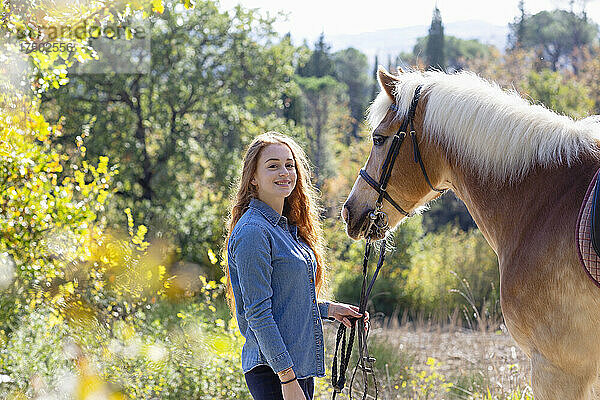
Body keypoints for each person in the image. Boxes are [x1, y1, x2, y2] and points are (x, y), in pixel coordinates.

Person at [223, 132, 367, 400]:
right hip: (274, 372)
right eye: (273, 165)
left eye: (289, 165)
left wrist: (329, 309)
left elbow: (286, 300)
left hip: (295, 369)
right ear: (253, 177)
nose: (284, 172)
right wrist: (287, 379)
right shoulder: (254, 232)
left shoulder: (285, 229)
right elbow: (258, 314)